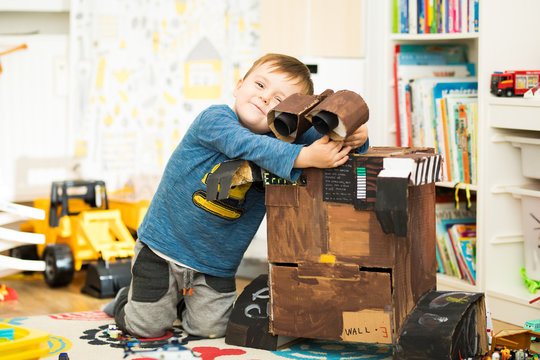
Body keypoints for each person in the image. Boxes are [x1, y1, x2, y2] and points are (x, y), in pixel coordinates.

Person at [105, 53, 369, 339]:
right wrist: (306, 156)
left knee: (209, 330)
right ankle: (126, 300)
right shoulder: (214, 120)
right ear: (239, 85)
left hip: (216, 263)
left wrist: (357, 138)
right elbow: (247, 145)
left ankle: (180, 302)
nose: (266, 98)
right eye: (259, 85)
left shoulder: (286, 142)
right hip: (162, 248)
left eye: (281, 100)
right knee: (145, 327)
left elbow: (338, 152)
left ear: (296, 120)